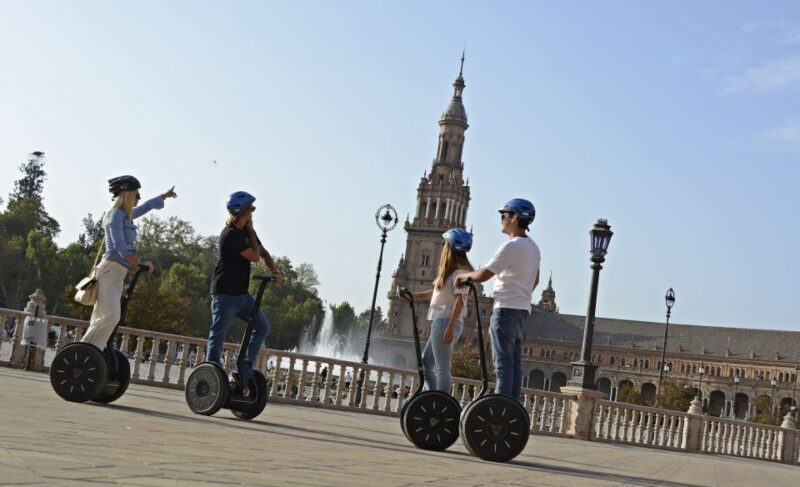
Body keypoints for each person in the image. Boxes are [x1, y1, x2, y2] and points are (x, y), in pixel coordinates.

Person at [456, 199, 540, 403]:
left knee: (502, 365)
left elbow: (484, 274)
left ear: (514, 217)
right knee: (514, 365)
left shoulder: (510, 247)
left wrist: (463, 277)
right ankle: (512, 406)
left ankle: (501, 408)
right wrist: (522, 294)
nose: (501, 220)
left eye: (504, 215)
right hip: (522, 311)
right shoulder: (534, 248)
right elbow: (535, 280)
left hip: (505, 310)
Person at [81, 176, 177, 348]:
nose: (138, 198)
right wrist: (139, 262)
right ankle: (85, 351)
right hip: (109, 271)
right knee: (110, 316)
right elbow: (119, 246)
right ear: (127, 194)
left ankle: (93, 352)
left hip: (118, 274)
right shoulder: (115, 215)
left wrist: (164, 196)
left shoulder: (127, 216)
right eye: (136, 194)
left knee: (105, 317)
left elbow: (147, 206)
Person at [206, 191, 285, 393]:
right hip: (224, 294)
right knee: (218, 335)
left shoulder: (246, 232)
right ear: (241, 211)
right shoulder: (230, 235)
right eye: (251, 209)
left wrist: (275, 271)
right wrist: (251, 232)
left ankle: (244, 367)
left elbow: (264, 253)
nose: (253, 212)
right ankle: (211, 374)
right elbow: (255, 257)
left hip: (242, 295)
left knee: (263, 327)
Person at [411, 228, 473, 393]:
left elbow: (460, 301)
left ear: (451, 247)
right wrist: (412, 295)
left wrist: (450, 328)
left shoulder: (461, 272)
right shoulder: (451, 271)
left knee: (443, 368)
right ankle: (433, 396)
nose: (442, 247)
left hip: (446, 320)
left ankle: (441, 402)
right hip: (442, 320)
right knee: (426, 362)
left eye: (444, 244)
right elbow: (435, 293)